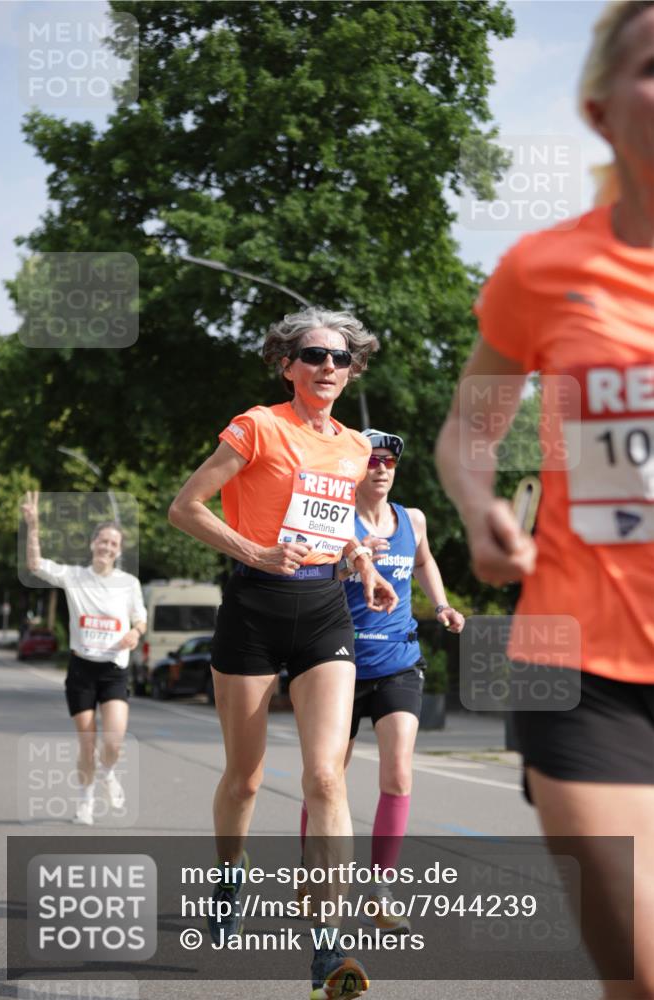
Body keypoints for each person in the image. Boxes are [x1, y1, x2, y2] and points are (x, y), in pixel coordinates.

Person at [435, 3, 654, 996]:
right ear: (601, 108)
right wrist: (481, 504)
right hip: (580, 661)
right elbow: (469, 432)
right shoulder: (541, 269)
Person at [168, 307, 398, 1000]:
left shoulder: (358, 446)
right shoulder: (257, 425)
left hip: (325, 608)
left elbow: (344, 523)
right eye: (313, 355)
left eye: (340, 358)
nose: (328, 366)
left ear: (352, 369)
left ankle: (328, 949)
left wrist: (365, 566)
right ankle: (229, 871)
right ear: (287, 364)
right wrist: (256, 551)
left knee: (326, 779)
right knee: (243, 778)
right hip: (253, 610)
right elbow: (186, 507)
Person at [299, 428, 464, 932]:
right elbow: (305, 575)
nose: (382, 468)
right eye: (372, 460)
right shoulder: (336, 520)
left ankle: (380, 886)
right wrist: (353, 561)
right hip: (339, 663)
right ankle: (313, 877)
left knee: (398, 773)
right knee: (328, 780)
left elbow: (423, 560)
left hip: (398, 660)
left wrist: (440, 605)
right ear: (356, 467)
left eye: (390, 461)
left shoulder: (412, 519)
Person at [21, 491, 147, 826]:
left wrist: (136, 633)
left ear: (119, 551)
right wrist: (33, 526)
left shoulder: (128, 583)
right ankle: (86, 802)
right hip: (81, 670)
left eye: (113, 544)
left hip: (114, 670)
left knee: (114, 738)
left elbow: (140, 619)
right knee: (87, 741)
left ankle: (107, 773)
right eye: (102, 541)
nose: (107, 547)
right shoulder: (74, 577)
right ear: (93, 544)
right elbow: (35, 565)